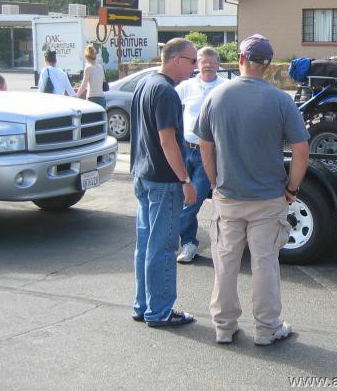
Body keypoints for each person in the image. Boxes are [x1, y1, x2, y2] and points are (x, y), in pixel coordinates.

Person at [195, 34, 309, 345]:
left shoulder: (216, 97)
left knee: (226, 262)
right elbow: (301, 150)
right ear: (268, 65)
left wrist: (214, 180)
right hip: (268, 198)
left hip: (228, 196)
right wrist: (292, 189)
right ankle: (267, 328)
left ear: (241, 60)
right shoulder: (281, 100)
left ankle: (224, 326)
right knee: (264, 264)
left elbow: (205, 146)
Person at [130, 37, 198, 328]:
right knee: (163, 247)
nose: (195, 67)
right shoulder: (166, 92)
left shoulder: (146, 84)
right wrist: (185, 179)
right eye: (192, 61)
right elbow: (168, 141)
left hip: (143, 175)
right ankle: (159, 311)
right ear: (176, 60)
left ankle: (143, 305)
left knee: (146, 244)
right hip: (163, 180)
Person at [174, 46, 225, 264]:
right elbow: (172, 111)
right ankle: (189, 244)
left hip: (209, 154)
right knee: (182, 197)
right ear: (198, 64)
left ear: (218, 64)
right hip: (185, 149)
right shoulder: (186, 86)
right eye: (204, 62)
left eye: (213, 63)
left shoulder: (225, 87)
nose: (209, 66)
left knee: (194, 199)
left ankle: (170, 229)